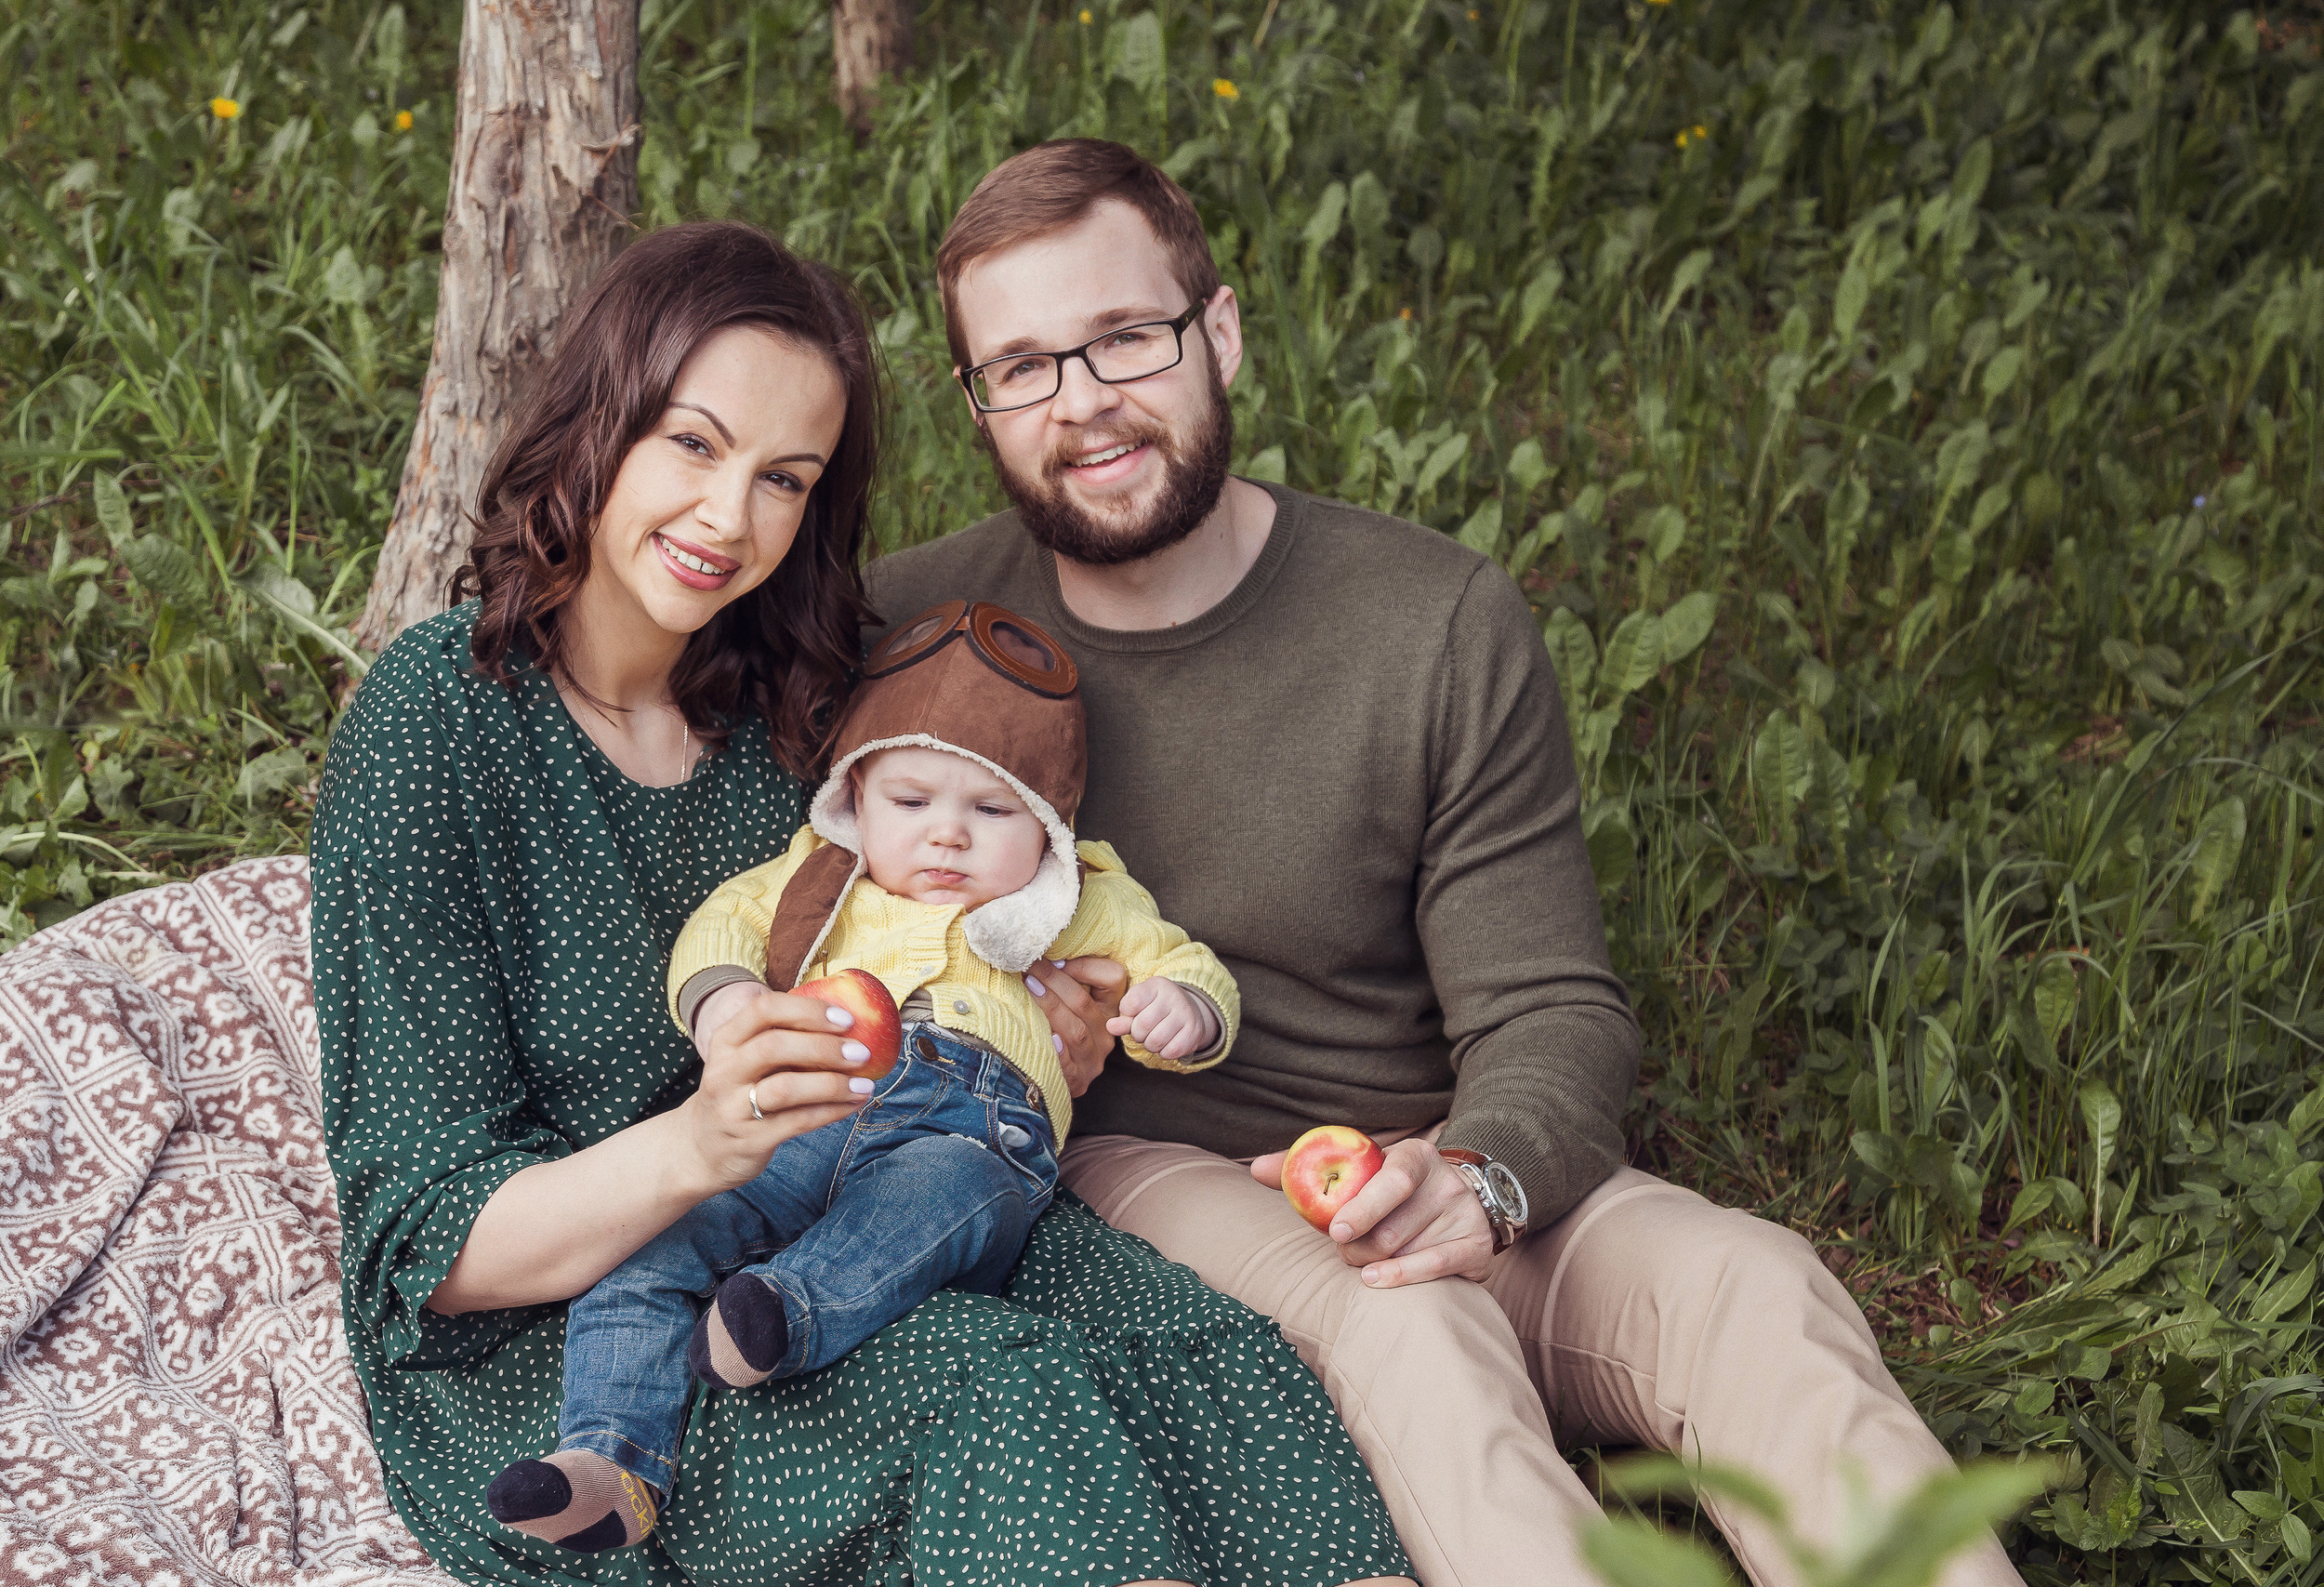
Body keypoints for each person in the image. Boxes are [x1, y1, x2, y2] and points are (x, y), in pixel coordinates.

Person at [865, 139, 2027, 1587]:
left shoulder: (1431, 618)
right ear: (976, 403)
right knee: (1415, 1325)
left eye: (1124, 337)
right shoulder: (917, 631)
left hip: (1435, 1141)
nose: (1082, 401)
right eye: (1022, 366)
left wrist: (1480, 1174)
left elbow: (1549, 1003)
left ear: (1218, 331)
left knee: (1757, 1284)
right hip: (1156, 1167)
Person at [312, 218, 1412, 1587]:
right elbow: (426, 1242)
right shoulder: (438, 726)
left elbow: (957, 920)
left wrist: (1054, 1015)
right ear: (601, 421)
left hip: (879, 1193)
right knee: (994, 1387)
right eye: (693, 444)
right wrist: (704, 1142)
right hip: (594, 1327)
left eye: (786, 477)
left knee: (1193, 1350)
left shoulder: (802, 722)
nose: (730, 518)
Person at [483, 598, 1239, 1554]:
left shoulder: (1071, 896)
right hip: (808, 1106)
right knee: (655, 1239)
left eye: (992, 809)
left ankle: (781, 1313)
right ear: (857, 797)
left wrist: (1185, 1006)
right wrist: (725, 1006)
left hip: (969, 1127)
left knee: (937, 1202)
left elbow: (1179, 958)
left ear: (1048, 824)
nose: (948, 838)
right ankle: (606, 1463)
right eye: (912, 803)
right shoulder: (821, 876)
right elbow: (724, 924)